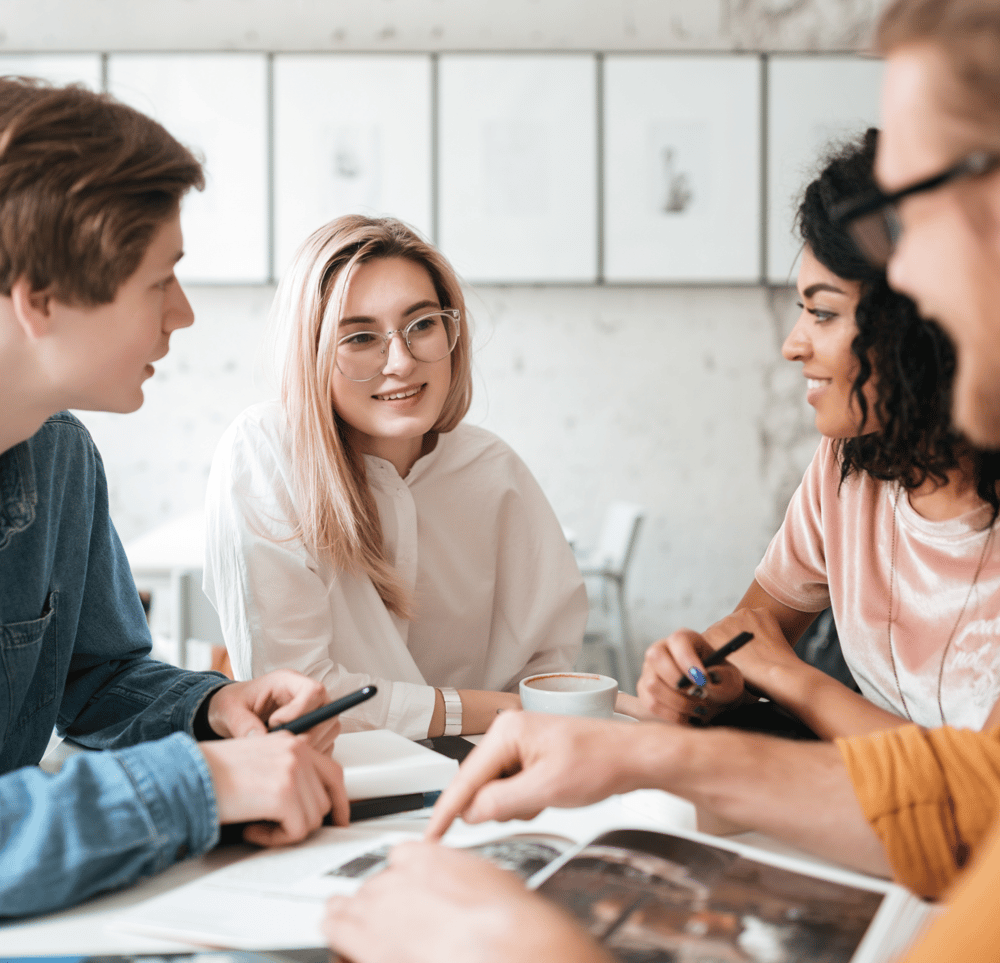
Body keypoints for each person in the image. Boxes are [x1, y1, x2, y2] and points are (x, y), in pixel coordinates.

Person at [323, 2, 1000, 962]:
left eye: (915, 214)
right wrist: (665, 733)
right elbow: (974, 796)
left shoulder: (491, 470)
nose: (912, 269)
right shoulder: (847, 468)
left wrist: (527, 948)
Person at [0, 76, 349, 919]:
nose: (183, 314)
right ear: (40, 298)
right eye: (161, 281)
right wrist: (201, 783)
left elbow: (101, 677)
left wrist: (211, 709)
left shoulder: (63, 458)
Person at [638, 128, 1000, 741]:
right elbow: (756, 631)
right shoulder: (849, 463)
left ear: (920, 327)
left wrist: (797, 682)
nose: (793, 345)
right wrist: (710, 682)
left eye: (824, 312)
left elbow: (983, 789)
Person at [203, 215, 589, 739]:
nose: (402, 362)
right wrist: (492, 712)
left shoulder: (494, 470)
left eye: (423, 324)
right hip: (340, 785)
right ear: (311, 351)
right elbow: (298, 695)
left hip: (494, 772)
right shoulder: (265, 452)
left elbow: (547, 674)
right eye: (361, 337)